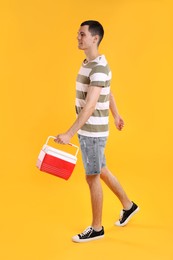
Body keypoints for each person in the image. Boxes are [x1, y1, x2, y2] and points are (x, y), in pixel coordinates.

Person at [55, 20, 139, 243]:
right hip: (91, 130)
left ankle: (97, 228)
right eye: (78, 34)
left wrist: (69, 133)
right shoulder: (91, 63)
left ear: (95, 38)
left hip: (92, 132)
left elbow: (90, 105)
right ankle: (129, 206)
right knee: (101, 170)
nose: (78, 38)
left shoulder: (99, 67)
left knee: (92, 178)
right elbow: (107, 92)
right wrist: (117, 114)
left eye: (82, 34)